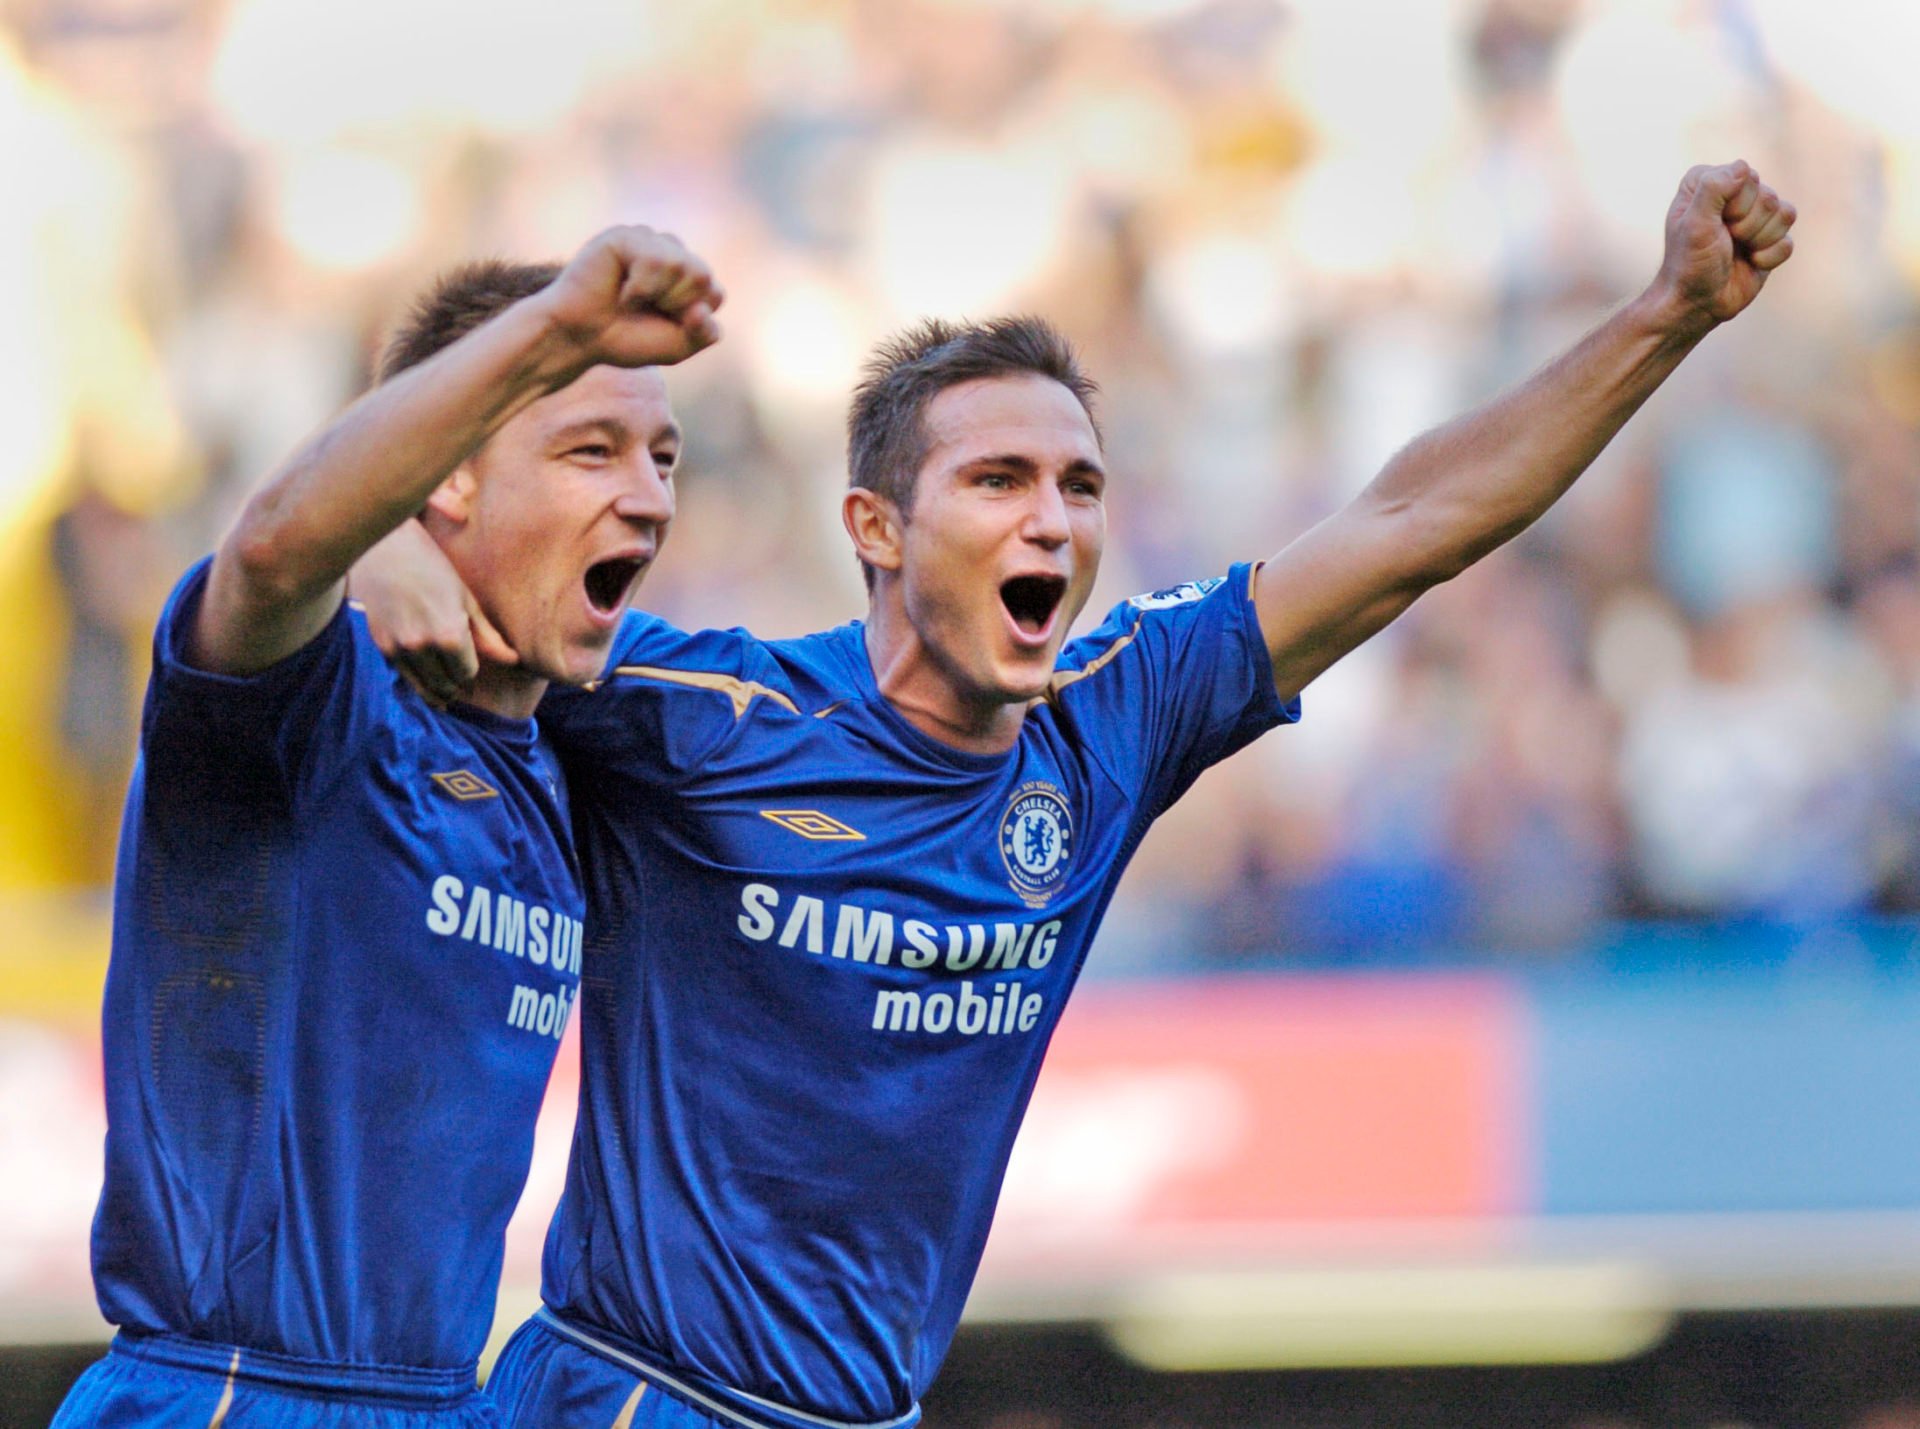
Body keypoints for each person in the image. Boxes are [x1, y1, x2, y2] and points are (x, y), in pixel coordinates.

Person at [360, 162, 1793, 1429]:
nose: (1051, 519)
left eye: (1079, 486)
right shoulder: (696, 711)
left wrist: (1667, 314)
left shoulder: (1115, 713)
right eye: (996, 479)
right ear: (876, 526)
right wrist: (389, 550)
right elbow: (366, 587)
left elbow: (1411, 523)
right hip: (635, 1393)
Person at [53, 227, 721, 1429]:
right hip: (230, 1394)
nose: (649, 495)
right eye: (592, 448)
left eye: (665, 457)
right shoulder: (310, 699)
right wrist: (554, 334)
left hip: (440, 1400)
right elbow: (271, 550)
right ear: (447, 477)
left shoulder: (576, 756)